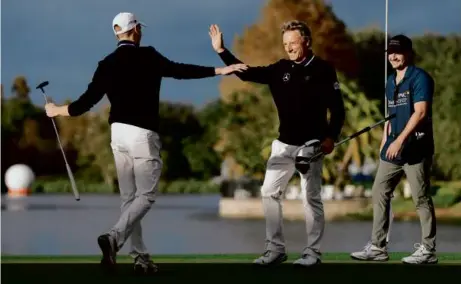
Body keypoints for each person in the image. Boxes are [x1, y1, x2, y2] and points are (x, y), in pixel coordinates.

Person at [44, 12, 247, 274]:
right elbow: (180, 71)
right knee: (147, 195)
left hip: (117, 134)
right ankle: (114, 237)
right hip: (142, 135)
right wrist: (220, 70)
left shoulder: (106, 63)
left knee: (130, 199)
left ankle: (140, 259)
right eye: (140, 28)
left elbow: (85, 103)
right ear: (136, 29)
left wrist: (55, 110)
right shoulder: (149, 55)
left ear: (117, 32)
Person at [208, 21, 345, 266]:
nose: (289, 48)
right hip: (283, 145)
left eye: (293, 43)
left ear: (306, 41)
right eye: (285, 44)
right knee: (268, 192)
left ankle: (312, 253)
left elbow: (338, 109)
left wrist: (330, 137)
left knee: (310, 197)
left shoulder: (324, 69)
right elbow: (246, 73)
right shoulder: (279, 69)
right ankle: (276, 249)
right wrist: (221, 51)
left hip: (311, 145)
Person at [350, 34, 437, 264]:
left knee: (420, 198)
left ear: (409, 53)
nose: (393, 56)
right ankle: (378, 247)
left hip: (416, 147)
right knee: (379, 191)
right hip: (393, 147)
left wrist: (400, 141)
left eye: (398, 52)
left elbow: (420, 112)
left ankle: (428, 250)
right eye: (390, 52)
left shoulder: (420, 78)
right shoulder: (390, 81)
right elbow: (391, 115)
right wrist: (386, 140)